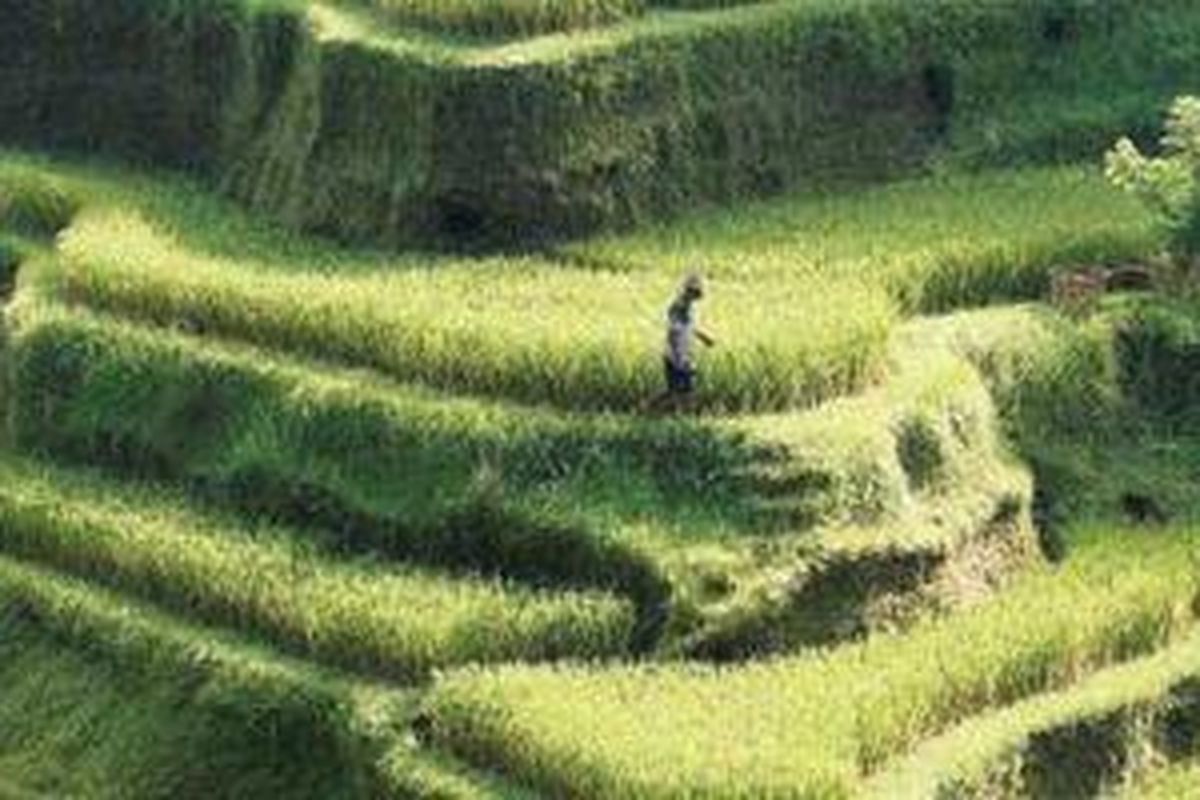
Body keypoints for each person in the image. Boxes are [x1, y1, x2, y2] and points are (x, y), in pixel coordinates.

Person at [656, 271, 715, 409]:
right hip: (675, 355)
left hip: (682, 354)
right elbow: (674, 334)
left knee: (679, 391)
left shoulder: (688, 307)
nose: (695, 298)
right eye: (694, 293)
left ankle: (649, 409)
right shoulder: (677, 308)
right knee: (678, 392)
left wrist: (703, 337)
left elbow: (689, 328)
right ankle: (648, 408)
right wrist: (680, 359)